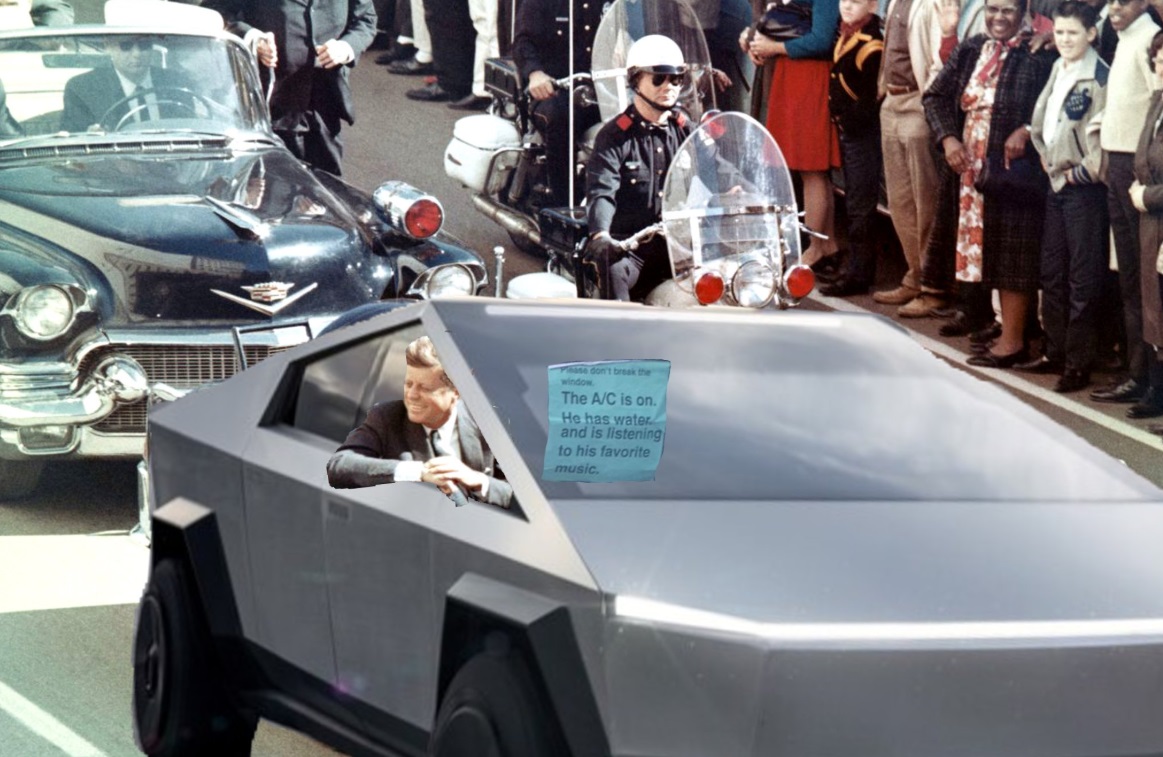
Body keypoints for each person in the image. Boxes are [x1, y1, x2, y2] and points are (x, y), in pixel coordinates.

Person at [923, 0, 1056, 368]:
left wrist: (1029, 130)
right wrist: (948, 138)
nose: (998, 18)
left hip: (1013, 170)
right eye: (992, 9)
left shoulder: (1039, 53)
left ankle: (1013, 341)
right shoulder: (972, 48)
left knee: (1013, 251)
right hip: (970, 169)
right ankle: (1004, 330)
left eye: (1007, 11)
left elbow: (1054, 104)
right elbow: (934, 95)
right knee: (983, 250)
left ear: (1023, 12)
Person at [1023, 0, 1109, 392]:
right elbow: (1042, 122)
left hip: (1082, 189)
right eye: (1059, 32)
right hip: (1055, 183)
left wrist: (1080, 172)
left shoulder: (1100, 78)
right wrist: (1045, 156)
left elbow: (1104, 140)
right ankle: (1054, 350)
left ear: (1091, 34)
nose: (1064, 40)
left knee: (1082, 278)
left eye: (1073, 32)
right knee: (1052, 273)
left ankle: (1078, 362)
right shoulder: (1059, 67)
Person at [326, 336, 513, 508]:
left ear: (456, 392)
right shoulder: (387, 417)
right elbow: (340, 466)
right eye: (409, 384)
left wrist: (478, 480)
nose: (412, 395)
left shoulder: (487, 422)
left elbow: (521, 496)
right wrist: (419, 472)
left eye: (425, 388)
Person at [202, 0, 377, 176]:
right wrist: (252, 38)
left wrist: (346, 47)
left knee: (329, 191)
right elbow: (215, 12)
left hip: (324, 105)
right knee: (271, 189)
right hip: (271, 104)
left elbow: (366, 19)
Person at [1088, 0, 1161, 405]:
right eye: (1111, 1)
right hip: (1116, 161)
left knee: (1142, 280)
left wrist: (1140, 169)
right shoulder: (1124, 37)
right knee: (1129, 278)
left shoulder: (1150, 38)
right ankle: (1138, 372)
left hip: (1137, 170)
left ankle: (1148, 378)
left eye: (1125, 1)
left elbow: (1157, 106)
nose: (1115, 8)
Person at [585, 35, 694, 301]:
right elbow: (602, 191)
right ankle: (621, 337)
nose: (668, 86)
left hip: (679, 248)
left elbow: (714, 169)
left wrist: (738, 188)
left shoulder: (685, 129)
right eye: (658, 78)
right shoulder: (614, 136)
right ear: (636, 80)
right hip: (633, 249)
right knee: (613, 272)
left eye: (676, 79)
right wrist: (600, 234)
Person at [742, 0, 842, 275]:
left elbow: (822, 41)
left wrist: (774, 47)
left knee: (812, 169)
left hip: (810, 77)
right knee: (809, 170)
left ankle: (816, 247)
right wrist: (754, 40)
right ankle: (827, 244)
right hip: (795, 73)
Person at [866, 0, 950, 317]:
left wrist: (928, 99)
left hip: (917, 102)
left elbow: (939, 60)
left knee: (925, 200)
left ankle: (933, 287)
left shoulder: (933, 4)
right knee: (900, 201)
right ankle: (914, 276)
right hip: (892, 100)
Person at [819, 0, 884, 296]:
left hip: (862, 133)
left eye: (856, 2)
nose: (846, 6)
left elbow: (871, 97)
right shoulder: (846, 33)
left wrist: (849, 121)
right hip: (849, 131)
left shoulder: (871, 44)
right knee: (854, 200)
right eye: (844, 0)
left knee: (860, 205)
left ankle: (860, 273)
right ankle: (856, 268)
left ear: (872, 5)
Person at [512, 0, 604, 205]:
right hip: (556, 90)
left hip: (605, 90)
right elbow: (522, 41)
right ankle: (563, 205)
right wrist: (535, 74)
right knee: (563, 117)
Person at [1127, 30, 1163, 417]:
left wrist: (1145, 197)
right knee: (1154, 308)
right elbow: (1143, 158)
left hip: (1155, 211)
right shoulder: (1158, 101)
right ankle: (1157, 390)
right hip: (1153, 223)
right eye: (1158, 60)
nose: (1161, 68)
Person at [60, 37, 191, 133]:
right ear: (108, 47)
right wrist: (89, 136)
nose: (137, 54)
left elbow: (191, 130)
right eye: (126, 46)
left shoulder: (176, 82)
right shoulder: (83, 88)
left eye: (144, 45)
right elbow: (71, 146)